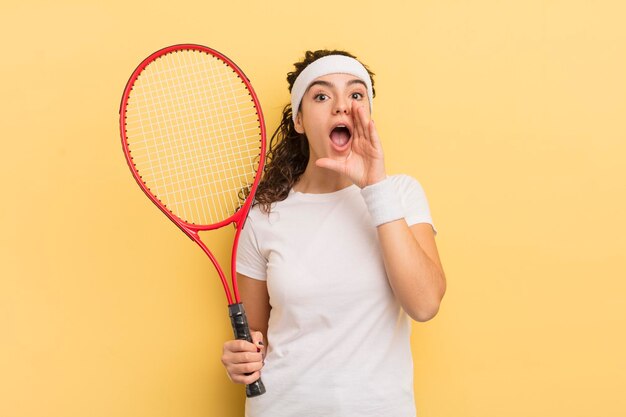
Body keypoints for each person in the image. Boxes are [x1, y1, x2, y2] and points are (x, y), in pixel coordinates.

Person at [221, 50, 446, 417]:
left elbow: (424, 304)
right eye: (322, 96)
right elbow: (255, 342)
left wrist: (374, 186)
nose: (342, 106)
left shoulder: (400, 193)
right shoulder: (263, 216)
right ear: (298, 120)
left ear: (367, 114)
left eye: (356, 95)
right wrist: (240, 360)